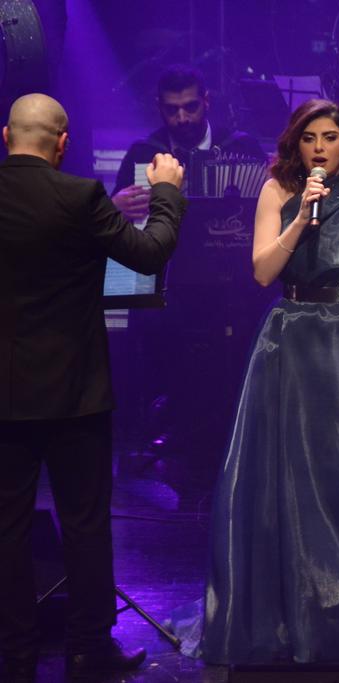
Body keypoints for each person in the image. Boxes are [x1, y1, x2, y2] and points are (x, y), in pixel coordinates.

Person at [185, 99, 339, 664]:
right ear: (296, 143)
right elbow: (262, 271)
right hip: (291, 339)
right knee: (289, 475)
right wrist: (301, 218)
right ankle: (289, 610)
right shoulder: (276, 191)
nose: (319, 147)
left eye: (330, 137)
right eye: (309, 138)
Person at [0, 94, 185, 681]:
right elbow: (149, 253)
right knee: (84, 524)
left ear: (6, 136)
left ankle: (15, 655)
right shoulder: (80, 196)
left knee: (7, 528)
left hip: (5, 394)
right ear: (63, 143)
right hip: (76, 392)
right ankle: (87, 650)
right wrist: (166, 193)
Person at [112, 64, 264, 216]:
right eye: (172, 109)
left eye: (191, 107)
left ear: (206, 101)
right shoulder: (142, 153)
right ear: (159, 107)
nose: (182, 118)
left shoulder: (242, 147)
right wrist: (113, 208)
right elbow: (114, 222)